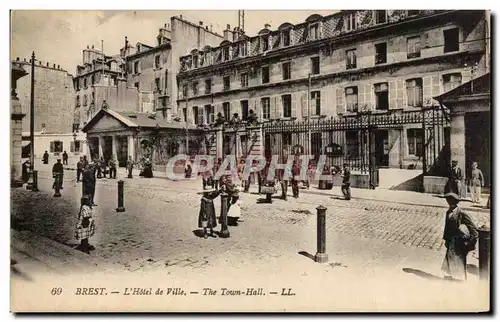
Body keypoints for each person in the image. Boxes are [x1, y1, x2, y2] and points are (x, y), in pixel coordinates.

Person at [441, 192, 478, 281]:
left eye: (449, 200)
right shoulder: (448, 212)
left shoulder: (461, 213)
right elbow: (447, 227)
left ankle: (460, 280)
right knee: (449, 258)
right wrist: (446, 239)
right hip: (451, 241)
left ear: (454, 201)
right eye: (447, 200)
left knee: (459, 261)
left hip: (459, 242)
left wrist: (471, 242)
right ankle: (450, 276)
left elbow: (473, 229)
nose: (448, 202)